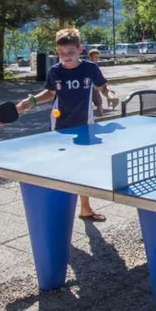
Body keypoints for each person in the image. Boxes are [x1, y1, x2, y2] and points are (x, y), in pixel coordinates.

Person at [15, 28, 112, 222]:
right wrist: (31, 101)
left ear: (80, 49)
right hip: (59, 128)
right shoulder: (55, 71)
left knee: (84, 168)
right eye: (61, 53)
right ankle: (57, 213)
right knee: (60, 170)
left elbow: (102, 87)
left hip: (85, 126)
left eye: (70, 52)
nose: (66, 57)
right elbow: (51, 93)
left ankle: (85, 208)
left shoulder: (90, 69)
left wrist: (110, 95)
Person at [87, 49, 106, 117]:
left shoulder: (95, 65)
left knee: (99, 103)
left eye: (98, 57)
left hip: (95, 87)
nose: (97, 59)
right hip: (88, 88)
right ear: (90, 57)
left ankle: (101, 117)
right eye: (96, 57)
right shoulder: (87, 65)